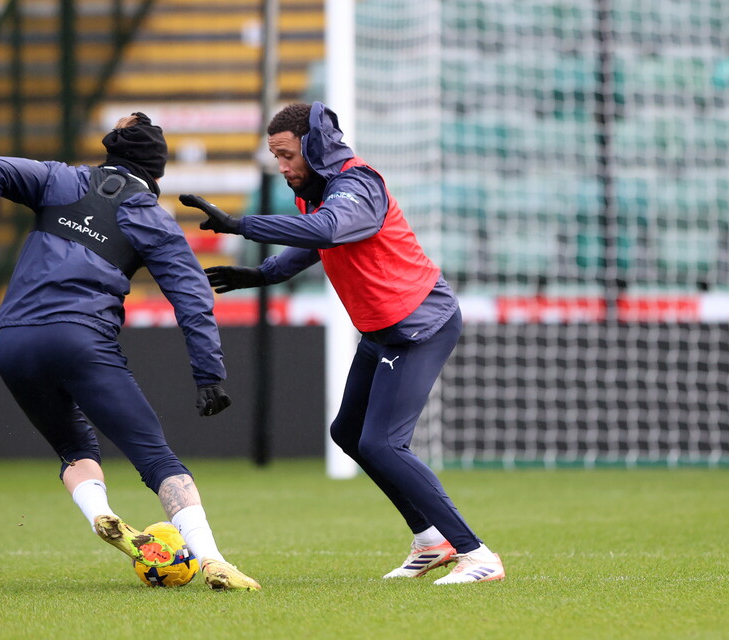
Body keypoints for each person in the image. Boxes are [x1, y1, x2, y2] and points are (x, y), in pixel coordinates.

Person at [179, 101, 505, 585]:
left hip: (420, 325)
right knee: (350, 434)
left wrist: (242, 225)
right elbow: (317, 242)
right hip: (382, 332)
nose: (283, 167)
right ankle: (430, 539)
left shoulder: (358, 183)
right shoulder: (314, 191)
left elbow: (330, 229)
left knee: (383, 442)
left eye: (288, 155)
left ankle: (477, 554)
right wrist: (261, 273)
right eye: (277, 158)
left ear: (315, 146)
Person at [0, 112, 260, 591]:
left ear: (111, 153)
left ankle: (102, 514)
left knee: (75, 448)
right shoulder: (150, 217)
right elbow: (192, 295)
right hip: (80, 340)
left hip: (13, 341)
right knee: (158, 460)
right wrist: (208, 374)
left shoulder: (61, 179)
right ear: (155, 173)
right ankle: (213, 559)